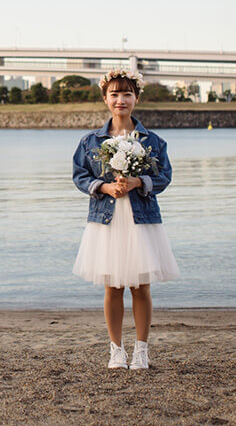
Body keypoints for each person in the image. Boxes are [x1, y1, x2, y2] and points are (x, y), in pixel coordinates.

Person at [71, 68, 180, 370]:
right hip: (107, 219)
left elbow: (165, 176)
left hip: (141, 219)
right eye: (115, 94)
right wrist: (104, 186)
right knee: (112, 287)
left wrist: (137, 182)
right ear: (105, 99)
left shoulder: (153, 140)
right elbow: (80, 176)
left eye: (127, 94)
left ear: (136, 98)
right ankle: (116, 351)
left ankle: (141, 351)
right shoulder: (90, 141)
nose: (121, 100)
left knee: (141, 286)